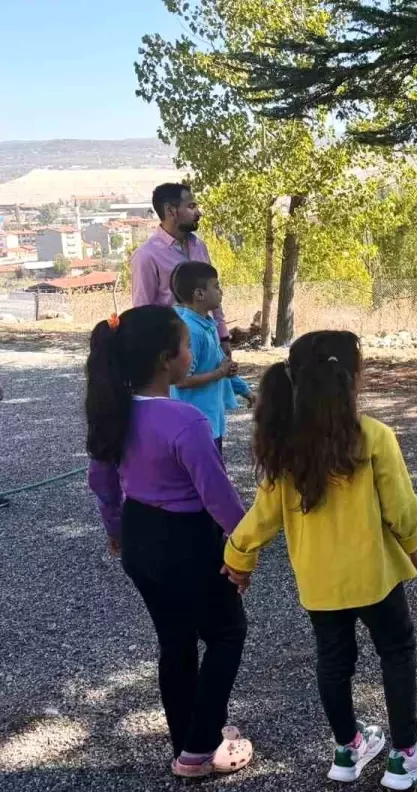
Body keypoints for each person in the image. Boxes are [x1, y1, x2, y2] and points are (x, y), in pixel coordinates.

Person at [222, 331, 417, 789]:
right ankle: (404, 754)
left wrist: (239, 556)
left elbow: (263, 515)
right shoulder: (374, 437)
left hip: (319, 583)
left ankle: (348, 749)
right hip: (375, 576)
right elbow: (401, 506)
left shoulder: (286, 446)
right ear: (348, 379)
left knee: (333, 662)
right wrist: (412, 542)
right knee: (397, 651)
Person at [85, 305, 253, 779]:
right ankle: (199, 750)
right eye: (185, 345)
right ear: (167, 359)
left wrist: (116, 531)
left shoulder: (114, 413)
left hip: (140, 539)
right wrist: (246, 549)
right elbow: (217, 496)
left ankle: (190, 739)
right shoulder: (185, 421)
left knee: (175, 641)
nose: (190, 353)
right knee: (226, 633)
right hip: (188, 542)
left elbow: (102, 483)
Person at [130, 183, 230, 354]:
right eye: (191, 206)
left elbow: (212, 290)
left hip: (209, 342)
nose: (198, 213)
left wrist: (223, 337)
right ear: (170, 210)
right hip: (174, 350)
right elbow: (142, 313)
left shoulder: (199, 246)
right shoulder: (147, 255)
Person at [170, 261, 253, 458]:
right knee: (205, 481)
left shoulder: (208, 325)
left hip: (212, 421)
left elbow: (220, 365)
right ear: (199, 294)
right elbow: (181, 381)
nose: (221, 292)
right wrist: (219, 373)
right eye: (216, 286)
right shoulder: (191, 331)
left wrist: (244, 390)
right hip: (195, 424)